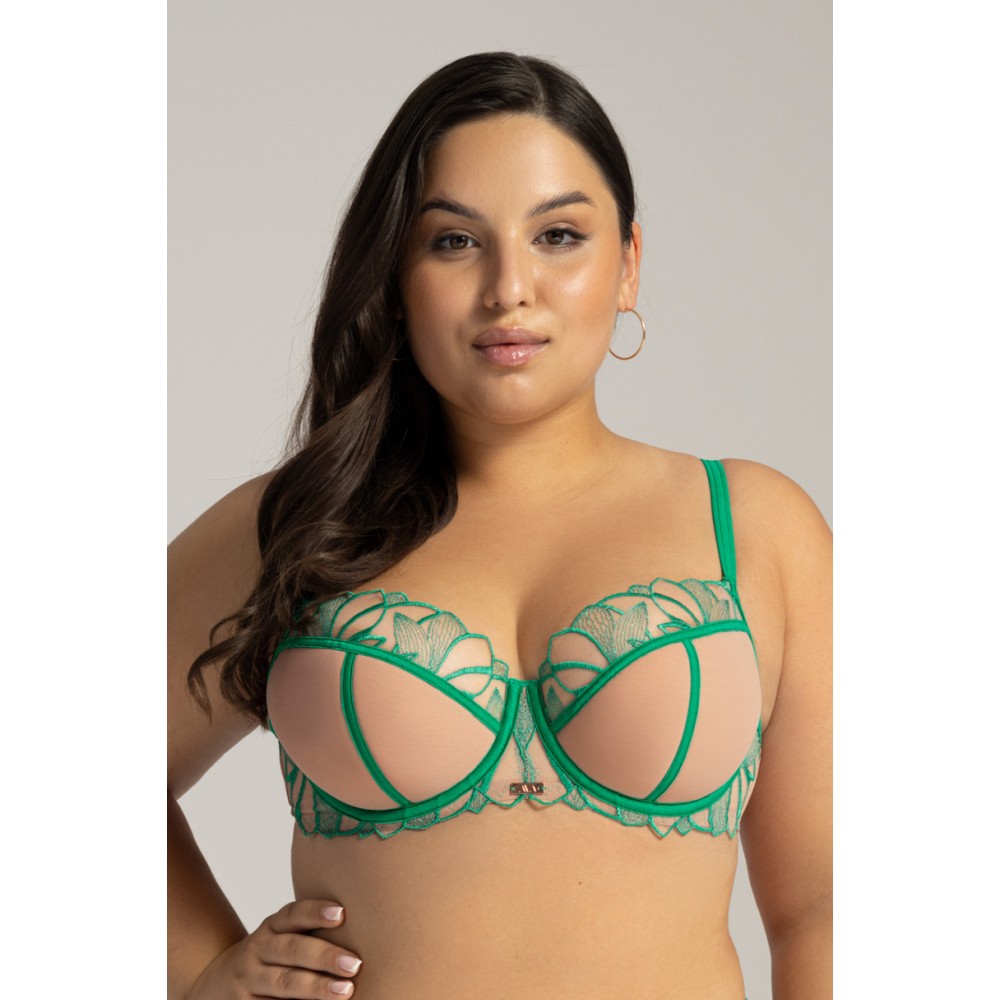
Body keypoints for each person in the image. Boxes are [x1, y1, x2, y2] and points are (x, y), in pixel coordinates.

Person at [168, 52, 831, 1000]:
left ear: (629, 265)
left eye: (558, 235)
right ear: (395, 274)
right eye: (453, 242)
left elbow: (824, 910)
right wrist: (201, 971)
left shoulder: (757, 529)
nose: (509, 288)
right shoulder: (300, 527)